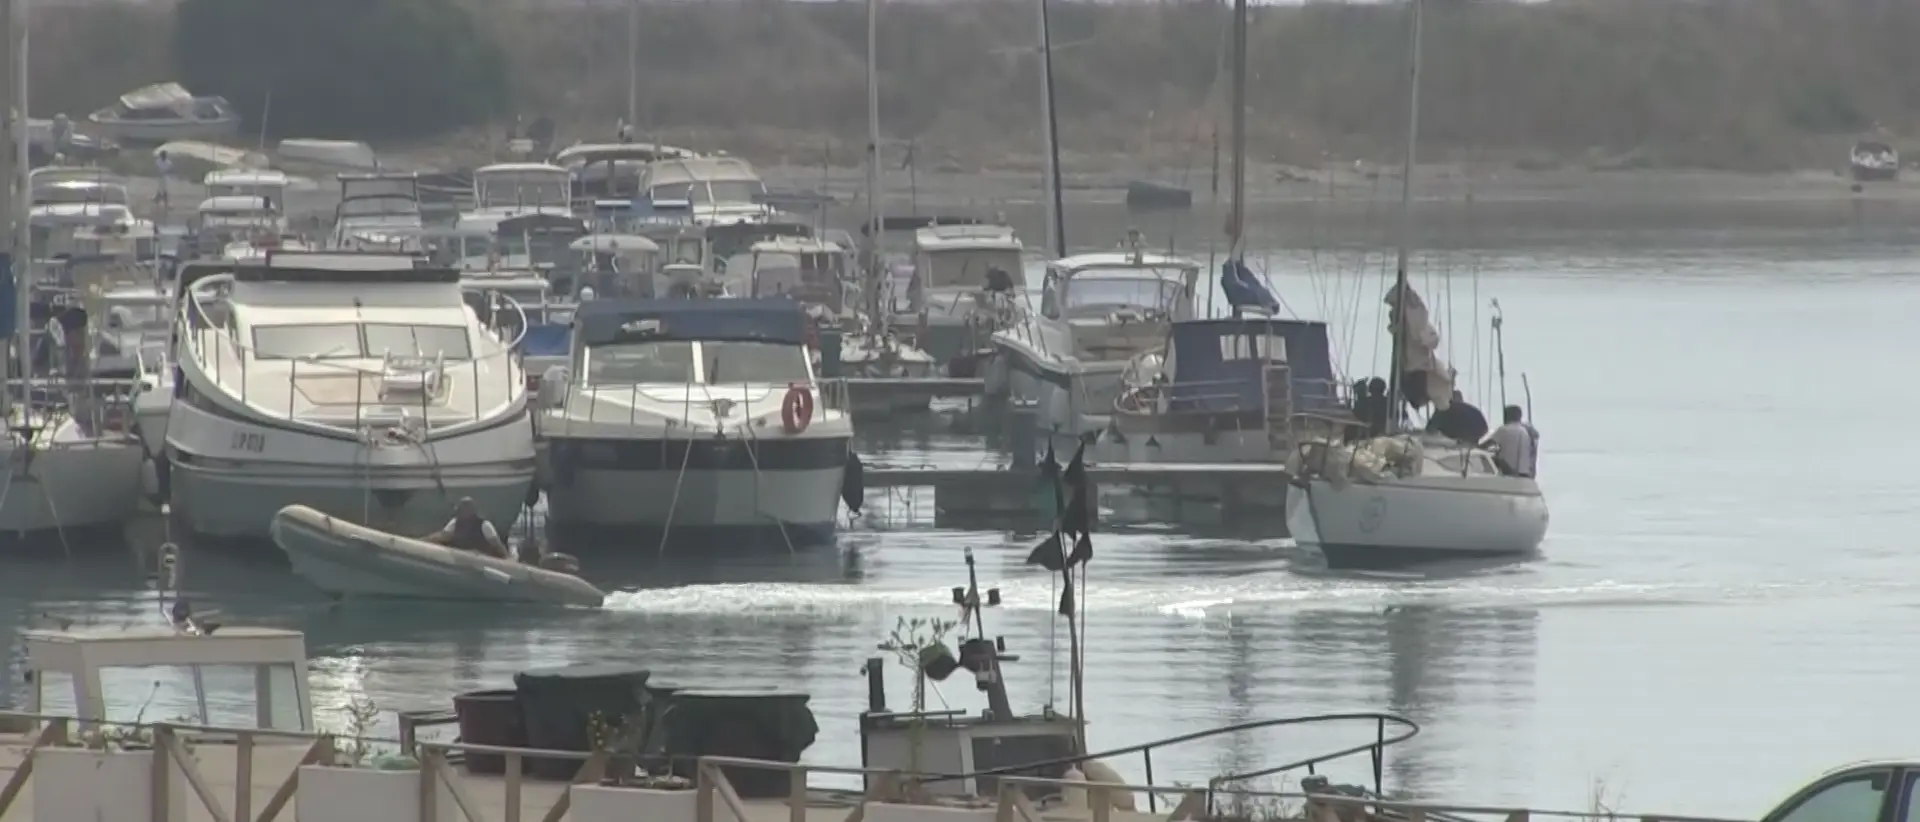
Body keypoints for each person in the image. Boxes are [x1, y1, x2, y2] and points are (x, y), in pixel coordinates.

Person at [421, 498, 510, 558]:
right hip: (461, 557)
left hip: (480, 559)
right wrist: (422, 540)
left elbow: (497, 544)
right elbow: (442, 536)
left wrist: (508, 559)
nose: (461, 513)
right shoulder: (455, 522)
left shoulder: (484, 525)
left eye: (463, 510)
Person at [1485, 405, 1539, 478]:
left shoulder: (1504, 429)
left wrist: (1475, 446)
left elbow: (1487, 444)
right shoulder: (1527, 430)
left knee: (1494, 458)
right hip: (1527, 473)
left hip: (1510, 472)